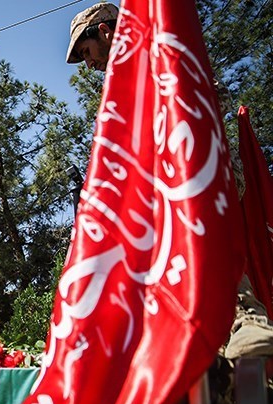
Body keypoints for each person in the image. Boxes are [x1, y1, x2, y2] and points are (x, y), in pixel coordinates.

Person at [65, 2, 273, 361]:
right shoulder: (123, 80)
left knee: (193, 243)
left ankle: (247, 318)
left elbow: (208, 94)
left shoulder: (158, 50)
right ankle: (220, 364)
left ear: (104, 30)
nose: (90, 64)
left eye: (87, 52)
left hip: (197, 171)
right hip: (163, 184)